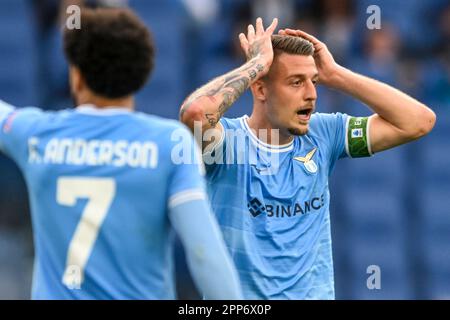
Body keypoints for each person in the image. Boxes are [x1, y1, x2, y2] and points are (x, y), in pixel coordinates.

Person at [179, 17, 436, 299]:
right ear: (261, 88)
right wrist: (256, 66)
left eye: (313, 81)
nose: (312, 94)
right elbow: (195, 113)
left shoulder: (324, 134)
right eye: (296, 82)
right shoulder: (226, 144)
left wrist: (336, 75)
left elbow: (417, 121)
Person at [0, 7, 242, 300]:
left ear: (76, 76)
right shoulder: (169, 143)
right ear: (141, 76)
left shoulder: (37, 134)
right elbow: (204, 253)